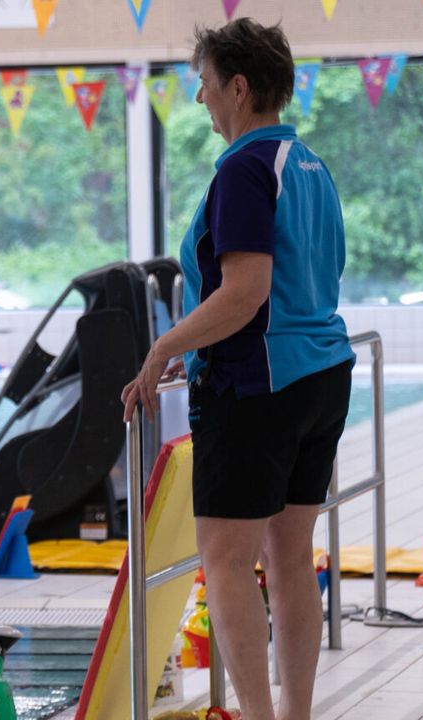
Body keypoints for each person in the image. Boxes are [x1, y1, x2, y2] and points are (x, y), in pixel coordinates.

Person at [120, 17, 355, 720]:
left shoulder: (246, 168)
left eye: (205, 84)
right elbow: (320, 277)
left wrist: (164, 347)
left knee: (224, 564)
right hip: (321, 377)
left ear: (240, 87)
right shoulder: (311, 166)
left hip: (259, 387)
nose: (200, 101)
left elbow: (245, 292)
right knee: (290, 563)